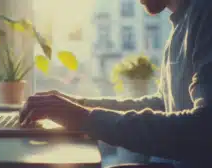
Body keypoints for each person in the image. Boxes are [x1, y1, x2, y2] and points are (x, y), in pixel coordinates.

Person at [20, 0, 212, 167]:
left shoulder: (206, 15)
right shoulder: (180, 24)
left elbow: (203, 128)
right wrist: (77, 104)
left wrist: (85, 117)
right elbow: (162, 105)